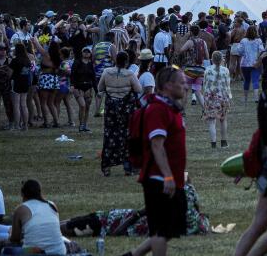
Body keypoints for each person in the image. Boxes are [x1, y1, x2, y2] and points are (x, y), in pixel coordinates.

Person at [130, 65, 189, 256]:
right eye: (182, 83)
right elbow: (157, 145)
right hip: (158, 178)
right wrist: (168, 177)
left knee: (172, 226)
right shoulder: (157, 110)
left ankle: (135, 254)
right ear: (167, 85)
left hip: (173, 178)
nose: (185, 86)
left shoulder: (172, 109)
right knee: (160, 230)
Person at [97, 51, 143, 177]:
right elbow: (139, 89)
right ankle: (127, 167)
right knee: (127, 137)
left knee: (109, 135)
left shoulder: (107, 72)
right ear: (126, 62)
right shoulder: (129, 74)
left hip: (111, 108)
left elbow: (100, 88)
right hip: (126, 109)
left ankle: (106, 167)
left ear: (115, 60)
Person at [202, 50, 231, 148]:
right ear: (222, 59)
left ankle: (213, 143)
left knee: (211, 121)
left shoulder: (207, 70)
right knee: (223, 120)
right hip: (223, 98)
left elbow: (205, 85)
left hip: (211, 98)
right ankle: (224, 142)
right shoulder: (225, 70)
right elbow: (228, 85)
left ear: (212, 59)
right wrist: (229, 97)